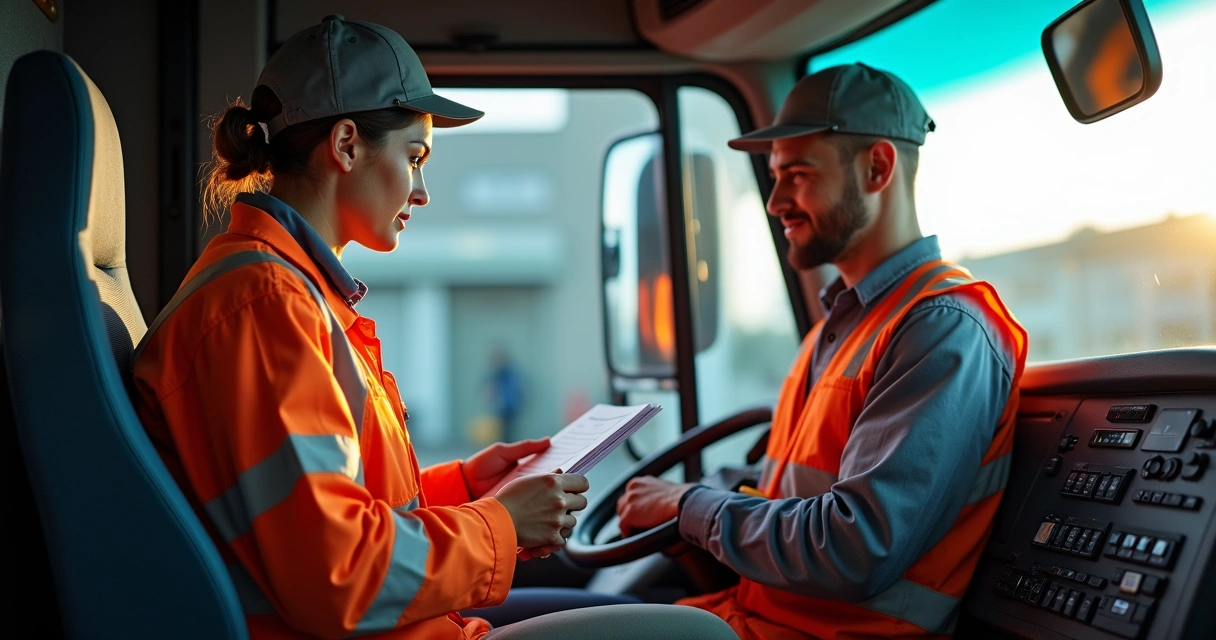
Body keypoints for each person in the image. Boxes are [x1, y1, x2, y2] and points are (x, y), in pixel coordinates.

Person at [131, 15, 737, 640]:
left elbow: (340, 509)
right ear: (345, 146)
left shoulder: (290, 294)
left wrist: (471, 486)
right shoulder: (263, 308)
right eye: (414, 158)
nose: (421, 192)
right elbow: (337, 573)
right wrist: (499, 524)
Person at [616, 63, 1029, 639]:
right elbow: (791, 482)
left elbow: (857, 546)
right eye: (774, 176)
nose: (775, 201)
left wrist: (689, 505)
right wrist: (713, 489)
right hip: (754, 620)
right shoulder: (834, 329)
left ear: (878, 168)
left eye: (798, 174)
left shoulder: (942, 328)